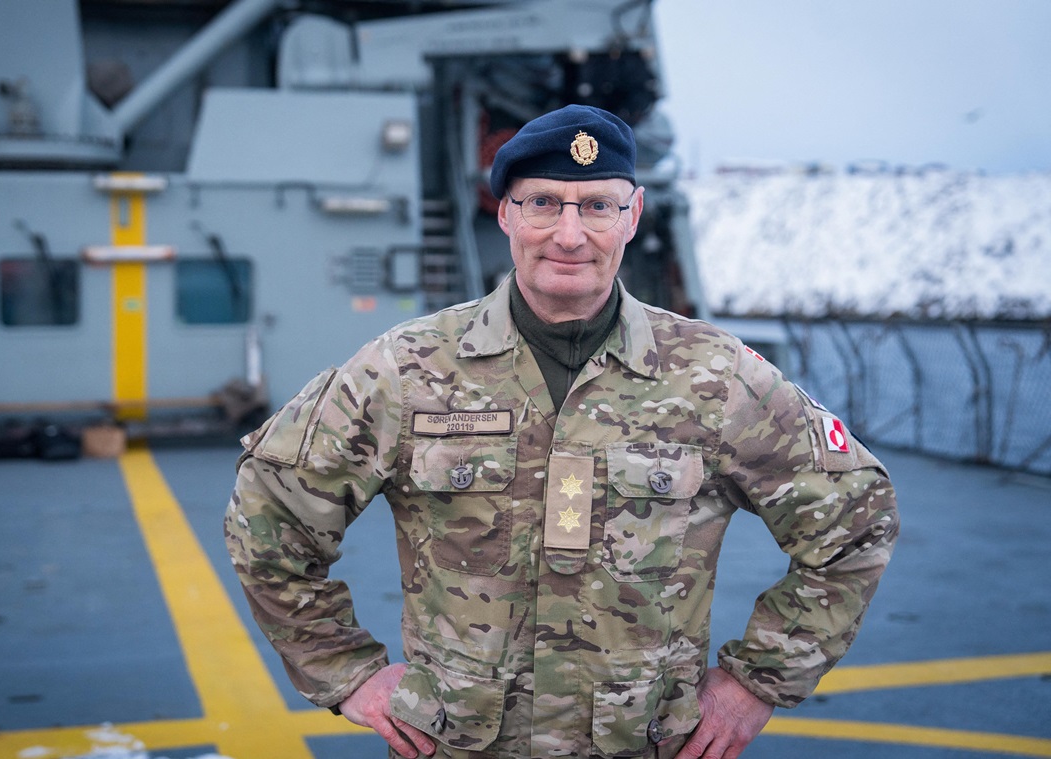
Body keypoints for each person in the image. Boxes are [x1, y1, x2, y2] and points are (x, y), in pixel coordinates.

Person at [225, 104, 898, 759]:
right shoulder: (407, 368)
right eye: (543, 203)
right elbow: (269, 510)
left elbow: (857, 517)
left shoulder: (714, 376)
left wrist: (757, 682)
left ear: (632, 215)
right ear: (505, 214)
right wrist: (345, 671)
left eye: (597, 206)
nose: (570, 235)